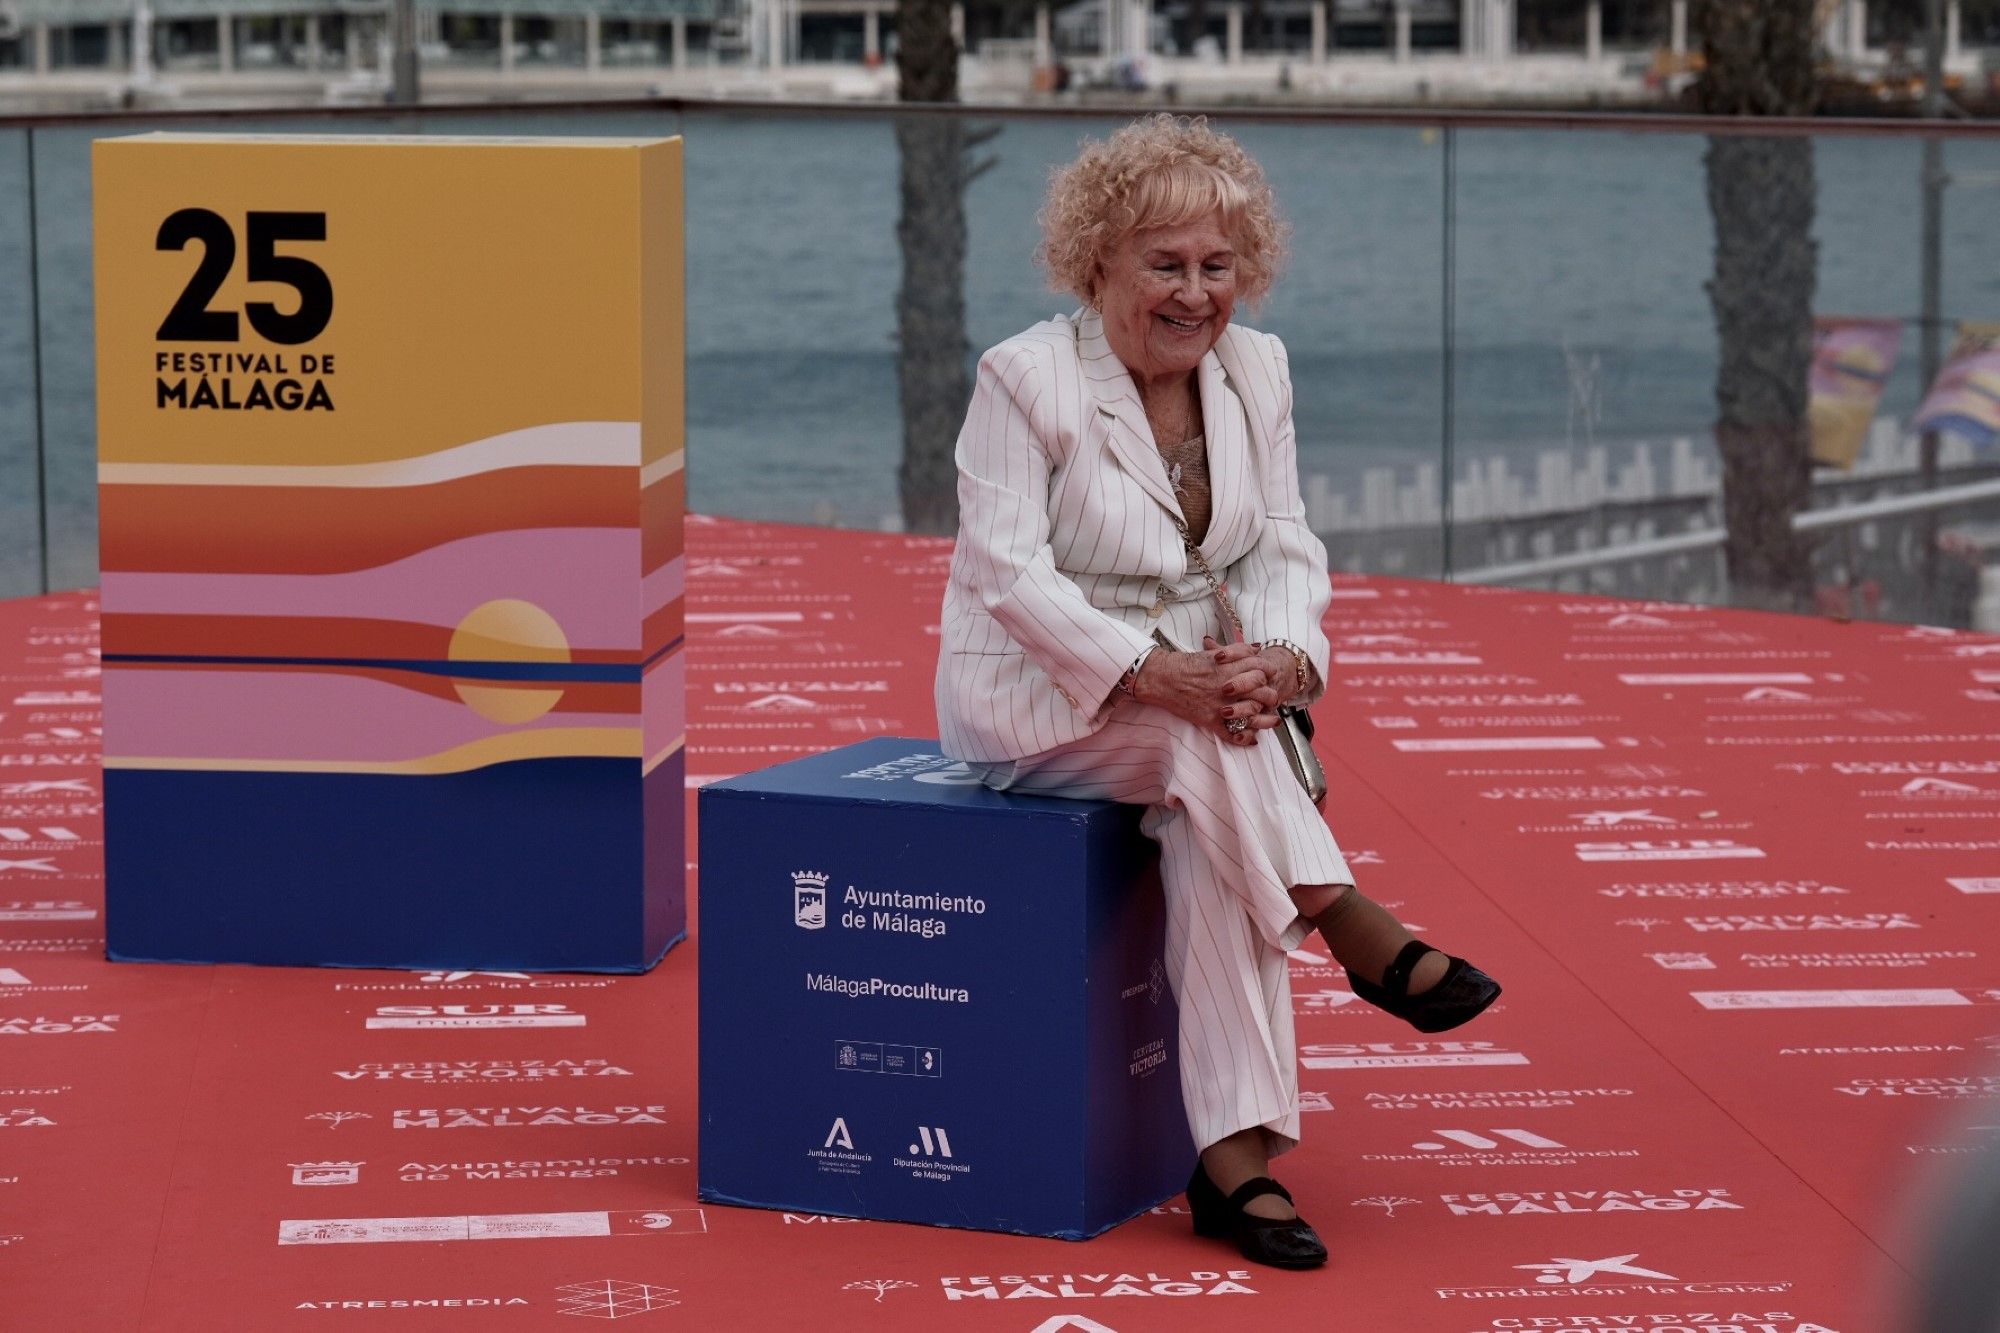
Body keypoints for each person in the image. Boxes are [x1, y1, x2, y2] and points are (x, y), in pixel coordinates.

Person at [934, 114, 1501, 1270]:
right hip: (1037, 697)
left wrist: (1283, 662)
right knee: (1212, 751)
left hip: (1207, 692)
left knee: (1212, 800)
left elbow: (1280, 543)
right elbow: (1002, 570)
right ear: (1095, 264)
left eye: (1216, 265)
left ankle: (1232, 1165)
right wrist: (1151, 673)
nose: (1194, 294)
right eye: (1164, 263)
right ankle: (1358, 931)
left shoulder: (1259, 367)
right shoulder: (1023, 375)